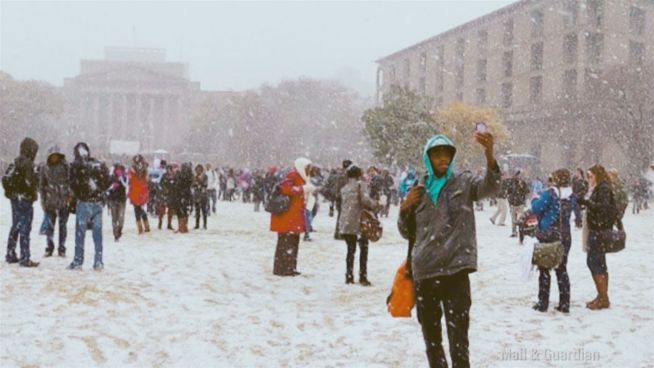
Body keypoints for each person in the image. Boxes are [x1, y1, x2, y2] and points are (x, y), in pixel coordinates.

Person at [398, 132, 500, 368]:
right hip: (426, 272)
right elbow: (407, 232)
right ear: (428, 158)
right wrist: (405, 208)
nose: (442, 158)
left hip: (456, 270)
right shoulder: (418, 190)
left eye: (446, 153)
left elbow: (491, 188)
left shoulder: (463, 183)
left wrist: (489, 156)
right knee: (432, 340)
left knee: (459, 340)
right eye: (437, 154)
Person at [530, 169, 575, 313]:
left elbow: (536, 208)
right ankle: (564, 302)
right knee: (562, 268)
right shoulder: (571, 195)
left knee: (544, 267)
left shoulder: (551, 193)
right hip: (565, 234)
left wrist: (535, 198)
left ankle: (543, 302)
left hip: (549, 233)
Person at [577, 165, 616, 310]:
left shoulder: (603, 188)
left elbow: (603, 207)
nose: (589, 178)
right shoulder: (600, 187)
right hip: (598, 229)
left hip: (599, 231)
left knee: (594, 262)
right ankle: (602, 295)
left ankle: (603, 298)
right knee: (599, 263)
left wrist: (587, 202)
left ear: (597, 175)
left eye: (590, 175)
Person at [68, 142, 109, 271]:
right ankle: (98, 261)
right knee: (97, 234)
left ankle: (78, 261)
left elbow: (72, 183)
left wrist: (79, 193)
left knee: (80, 233)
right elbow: (106, 181)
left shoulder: (76, 166)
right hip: (97, 202)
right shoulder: (97, 165)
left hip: (84, 201)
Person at [270, 158, 312, 277]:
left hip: (294, 216)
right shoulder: (293, 175)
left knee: (292, 243)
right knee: (286, 243)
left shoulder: (303, 177)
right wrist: (302, 189)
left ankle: (290, 267)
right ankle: (283, 268)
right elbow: (286, 189)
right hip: (288, 216)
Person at [338, 165, 379, 286]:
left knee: (350, 251)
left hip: (346, 222)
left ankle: (349, 276)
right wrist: (375, 204)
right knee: (363, 249)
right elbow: (366, 201)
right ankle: (363, 276)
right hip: (359, 222)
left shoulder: (344, 188)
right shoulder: (361, 185)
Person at [4, 137, 40, 267]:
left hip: (15, 198)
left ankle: (10, 253)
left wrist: (12, 193)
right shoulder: (29, 164)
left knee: (16, 226)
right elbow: (31, 183)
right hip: (25, 199)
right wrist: (31, 192)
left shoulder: (14, 163)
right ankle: (25, 257)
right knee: (25, 228)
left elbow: (5, 179)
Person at [39, 145, 71, 257]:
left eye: (56, 156)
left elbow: (70, 182)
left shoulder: (66, 166)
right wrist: (43, 201)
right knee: (50, 226)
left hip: (63, 201)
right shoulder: (45, 168)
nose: (54, 158)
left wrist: (69, 195)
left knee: (63, 226)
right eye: (52, 156)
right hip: (50, 201)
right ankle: (49, 247)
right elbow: (41, 186)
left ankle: (62, 248)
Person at [128, 154, 150, 234]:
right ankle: (146, 225)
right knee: (141, 208)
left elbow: (130, 180)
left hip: (135, 192)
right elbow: (147, 180)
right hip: (142, 191)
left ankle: (140, 228)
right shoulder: (144, 170)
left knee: (137, 210)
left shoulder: (132, 170)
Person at [107, 163, 127, 241]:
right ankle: (115, 234)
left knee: (121, 219)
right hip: (113, 200)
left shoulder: (124, 177)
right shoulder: (111, 178)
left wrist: (121, 180)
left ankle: (119, 230)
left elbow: (126, 185)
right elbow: (108, 187)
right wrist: (112, 187)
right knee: (114, 218)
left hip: (122, 200)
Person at [506, 170, 529, 238]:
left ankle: (521, 231)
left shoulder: (523, 183)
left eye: (519, 176)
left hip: (520, 203)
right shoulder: (511, 182)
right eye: (517, 175)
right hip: (513, 202)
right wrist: (510, 200)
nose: (518, 177)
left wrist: (522, 188)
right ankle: (514, 232)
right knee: (513, 218)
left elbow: (527, 191)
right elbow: (508, 191)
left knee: (520, 218)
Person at [160, 164, 177, 230]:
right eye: (167, 169)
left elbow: (176, 184)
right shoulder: (164, 176)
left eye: (170, 169)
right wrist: (165, 189)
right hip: (165, 195)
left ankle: (169, 224)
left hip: (172, 195)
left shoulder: (174, 176)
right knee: (162, 209)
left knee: (170, 210)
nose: (169, 170)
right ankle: (160, 223)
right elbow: (161, 184)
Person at [192, 164, 209, 230]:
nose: (198, 171)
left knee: (204, 210)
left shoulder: (205, 176)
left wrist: (198, 181)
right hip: (196, 194)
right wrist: (196, 184)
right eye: (197, 170)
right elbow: (193, 185)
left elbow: (205, 184)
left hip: (203, 195)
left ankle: (204, 224)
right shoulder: (194, 177)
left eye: (199, 170)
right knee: (197, 211)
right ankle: (197, 224)